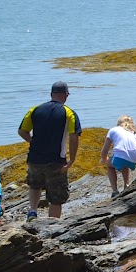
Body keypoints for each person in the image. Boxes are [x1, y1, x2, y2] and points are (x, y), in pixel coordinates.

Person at [19, 80, 80, 219]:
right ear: (66, 95)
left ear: (51, 94)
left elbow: (22, 131)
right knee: (56, 196)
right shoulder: (68, 113)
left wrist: (33, 142)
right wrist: (72, 160)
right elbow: (74, 136)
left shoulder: (35, 110)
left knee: (35, 185)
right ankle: (52, 222)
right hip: (56, 160)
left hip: (35, 158)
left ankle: (33, 211)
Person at [102, 115, 136, 197]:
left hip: (121, 155)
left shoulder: (113, 130)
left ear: (118, 123)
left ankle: (115, 190)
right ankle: (126, 185)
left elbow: (104, 150)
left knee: (109, 166)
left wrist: (105, 160)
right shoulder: (135, 132)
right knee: (125, 163)